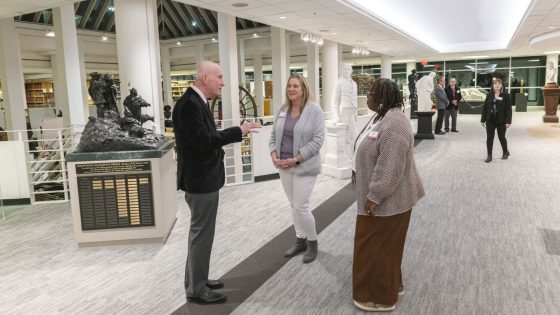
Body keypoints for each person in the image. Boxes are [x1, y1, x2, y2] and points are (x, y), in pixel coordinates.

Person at [173, 60, 261, 305]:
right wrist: (239, 131)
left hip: (202, 178)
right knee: (201, 235)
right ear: (204, 78)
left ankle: (196, 280)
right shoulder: (190, 104)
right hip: (200, 180)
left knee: (200, 234)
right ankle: (196, 288)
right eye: (219, 77)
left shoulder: (195, 101)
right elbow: (205, 140)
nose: (222, 82)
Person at [352, 78, 425, 312]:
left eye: (371, 93)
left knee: (376, 248)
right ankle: (392, 285)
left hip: (387, 202)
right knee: (386, 248)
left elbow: (390, 167)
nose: (368, 97)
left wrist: (374, 197)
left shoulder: (394, 123)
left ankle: (379, 297)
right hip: (383, 200)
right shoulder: (383, 117)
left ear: (382, 97)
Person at [269, 74, 325, 264]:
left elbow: (318, 140)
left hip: (304, 166)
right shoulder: (283, 109)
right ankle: (300, 239)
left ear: (303, 89)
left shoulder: (314, 110)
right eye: (289, 86)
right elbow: (273, 136)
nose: (291, 89)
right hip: (283, 166)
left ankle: (312, 242)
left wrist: (296, 159)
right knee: (293, 205)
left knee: (301, 206)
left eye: (296, 86)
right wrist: (274, 155)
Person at [481, 78, 511, 163]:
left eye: (499, 84)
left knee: (501, 137)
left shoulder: (506, 96)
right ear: (493, 86)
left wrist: (508, 121)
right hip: (490, 120)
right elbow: (485, 108)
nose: (497, 85)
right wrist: (482, 119)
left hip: (501, 120)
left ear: (501, 85)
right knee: (489, 138)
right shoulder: (489, 95)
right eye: (495, 84)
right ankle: (489, 155)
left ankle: (505, 152)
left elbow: (509, 110)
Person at [331, 63, 358, 159]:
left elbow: (355, 99)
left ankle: (351, 157)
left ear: (351, 70)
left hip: (352, 112)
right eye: (345, 69)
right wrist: (335, 116)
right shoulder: (338, 83)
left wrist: (356, 113)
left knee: (353, 136)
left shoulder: (354, 84)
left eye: (348, 69)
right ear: (341, 71)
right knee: (343, 137)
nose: (347, 71)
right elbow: (334, 101)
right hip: (343, 113)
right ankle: (344, 157)